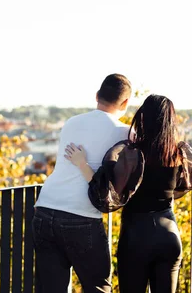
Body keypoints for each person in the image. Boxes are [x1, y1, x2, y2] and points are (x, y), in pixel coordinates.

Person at [65, 94, 192, 293]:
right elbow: (185, 184)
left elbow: (106, 192)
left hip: (136, 237)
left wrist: (83, 164)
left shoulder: (132, 153)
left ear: (143, 117)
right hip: (169, 235)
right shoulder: (178, 154)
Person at [32, 73, 132, 293]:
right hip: (81, 215)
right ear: (125, 103)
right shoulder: (124, 133)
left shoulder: (71, 122)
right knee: (98, 287)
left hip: (46, 207)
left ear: (97, 96)